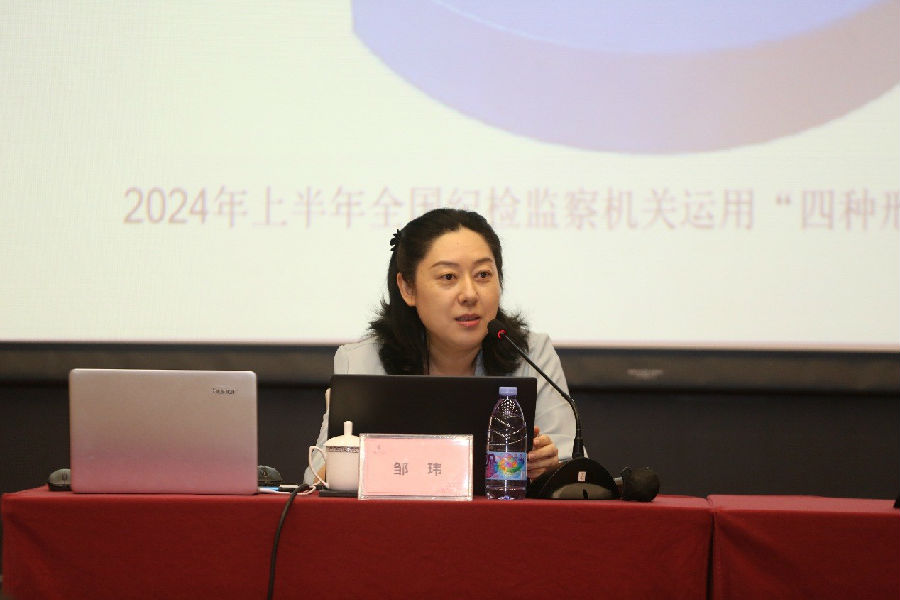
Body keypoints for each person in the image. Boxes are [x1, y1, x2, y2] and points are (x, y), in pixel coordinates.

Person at [304, 208, 576, 485]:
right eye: (448, 277)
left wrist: (549, 466)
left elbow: (574, 470)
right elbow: (316, 479)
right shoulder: (363, 360)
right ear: (408, 288)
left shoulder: (530, 354)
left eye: (483, 274)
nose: (469, 294)